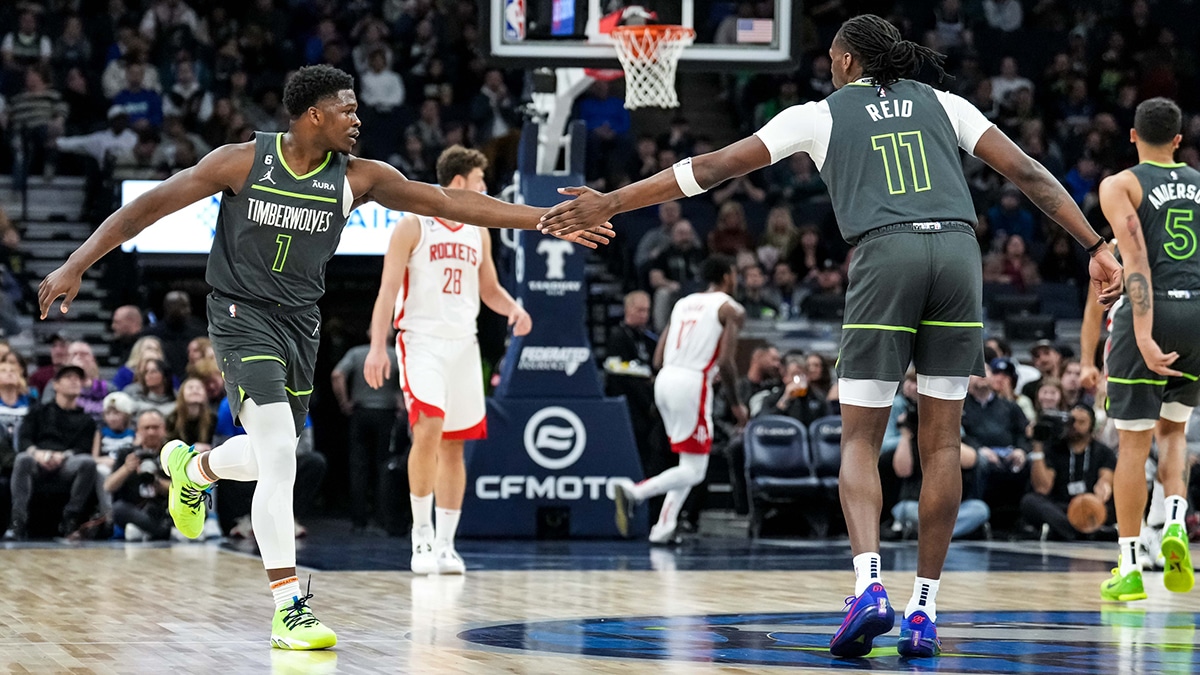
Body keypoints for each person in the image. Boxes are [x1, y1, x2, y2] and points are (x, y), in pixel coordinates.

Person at [537, 14, 1122, 658]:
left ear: (845, 63)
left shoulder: (817, 115)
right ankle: (923, 610)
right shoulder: (946, 103)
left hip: (885, 255)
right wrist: (1094, 246)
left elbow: (709, 168)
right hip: (959, 255)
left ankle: (869, 587)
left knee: (860, 438)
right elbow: (1033, 174)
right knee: (942, 443)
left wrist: (612, 202)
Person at [37, 65, 611, 650]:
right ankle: (290, 606)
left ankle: (196, 469)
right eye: (348, 109)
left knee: (269, 455)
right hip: (241, 318)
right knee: (282, 455)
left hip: (300, 325)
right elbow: (150, 206)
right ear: (313, 115)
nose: (359, 120)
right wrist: (76, 263)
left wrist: (547, 220)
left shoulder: (360, 177)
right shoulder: (240, 161)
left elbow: (450, 202)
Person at [363, 145, 533, 575]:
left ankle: (445, 544)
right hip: (421, 340)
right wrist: (377, 346)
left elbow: (489, 289)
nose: (485, 189)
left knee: (455, 446)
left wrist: (513, 308)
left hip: (464, 345)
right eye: (480, 182)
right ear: (459, 182)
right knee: (429, 430)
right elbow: (387, 291)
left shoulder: (479, 231)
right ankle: (419, 539)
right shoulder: (412, 223)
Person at [1098, 97, 1198, 601]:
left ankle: (1130, 565)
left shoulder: (1122, 184)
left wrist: (1141, 333)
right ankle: (1177, 523)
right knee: (1175, 431)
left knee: (1133, 446)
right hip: (1198, 315)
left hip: (1154, 312)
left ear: (1133, 136)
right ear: (1179, 140)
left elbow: (1135, 257)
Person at [611, 255, 747, 545]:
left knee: (687, 464)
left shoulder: (682, 302)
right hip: (691, 383)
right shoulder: (730, 308)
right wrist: (736, 404)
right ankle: (635, 492)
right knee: (695, 470)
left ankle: (663, 526)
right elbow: (726, 362)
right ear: (726, 277)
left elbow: (658, 356)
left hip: (665, 379)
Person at [8, 365, 97, 540]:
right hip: (37, 462)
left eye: (78, 378)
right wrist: (37, 453)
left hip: (66, 464)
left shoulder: (87, 420)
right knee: (23, 458)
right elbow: (25, 440)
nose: (74, 381)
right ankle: (18, 521)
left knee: (88, 462)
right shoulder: (38, 411)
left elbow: (83, 447)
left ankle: (71, 519)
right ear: (55, 385)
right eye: (68, 377)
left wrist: (63, 456)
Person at [332, 339, 400, 534]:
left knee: (358, 467)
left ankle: (358, 520)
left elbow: (337, 374)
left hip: (361, 412)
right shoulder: (395, 354)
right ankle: (382, 519)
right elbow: (407, 378)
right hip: (386, 413)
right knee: (384, 465)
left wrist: (344, 402)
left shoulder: (356, 352)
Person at [1020, 404, 1115, 541]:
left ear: (1091, 426)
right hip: (1061, 506)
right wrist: (1037, 445)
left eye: (1081, 422)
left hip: (1091, 505)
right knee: (1030, 501)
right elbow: (1043, 488)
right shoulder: (1054, 448)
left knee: (1115, 505)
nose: (1074, 426)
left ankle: (1063, 530)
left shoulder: (1103, 452)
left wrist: (1100, 492)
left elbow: (1105, 482)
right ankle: (1084, 532)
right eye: (1072, 421)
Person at [105, 410, 172, 541]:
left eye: (155, 427)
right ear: (138, 431)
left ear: (164, 429)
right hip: (135, 509)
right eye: (146, 428)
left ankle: (146, 530)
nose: (151, 432)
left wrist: (156, 482)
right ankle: (160, 531)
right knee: (118, 508)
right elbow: (108, 486)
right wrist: (126, 468)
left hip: (164, 509)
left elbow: (182, 489)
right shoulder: (127, 453)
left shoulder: (172, 453)